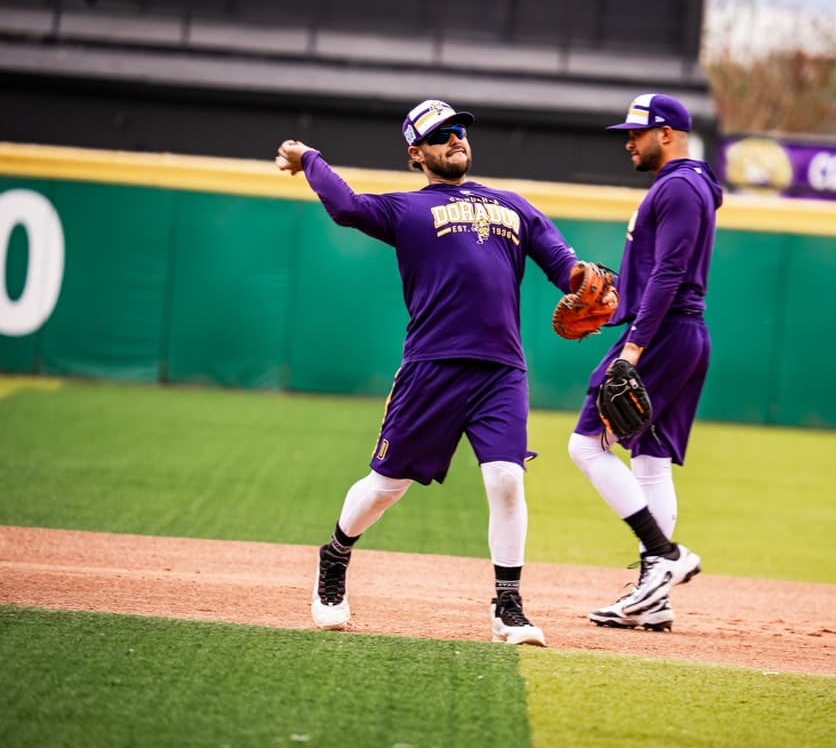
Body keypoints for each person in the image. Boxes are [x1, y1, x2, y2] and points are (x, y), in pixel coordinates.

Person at [275, 99, 589, 647]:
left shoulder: (513, 206)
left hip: (501, 370)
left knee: (507, 480)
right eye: (441, 134)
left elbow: (566, 267)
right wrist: (309, 158)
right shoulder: (406, 210)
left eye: (460, 130)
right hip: (432, 368)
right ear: (416, 153)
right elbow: (347, 207)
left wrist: (586, 283)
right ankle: (334, 556)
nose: (456, 139)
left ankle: (508, 607)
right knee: (385, 488)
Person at [567, 93, 722, 632]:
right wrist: (619, 308)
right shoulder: (690, 185)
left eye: (638, 132)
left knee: (586, 446)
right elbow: (659, 272)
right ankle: (653, 600)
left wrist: (632, 346)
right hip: (683, 332)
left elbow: (669, 272)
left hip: (661, 336)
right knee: (650, 460)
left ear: (669, 134)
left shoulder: (678, 185)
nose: (629, 141)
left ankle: (664, 556)